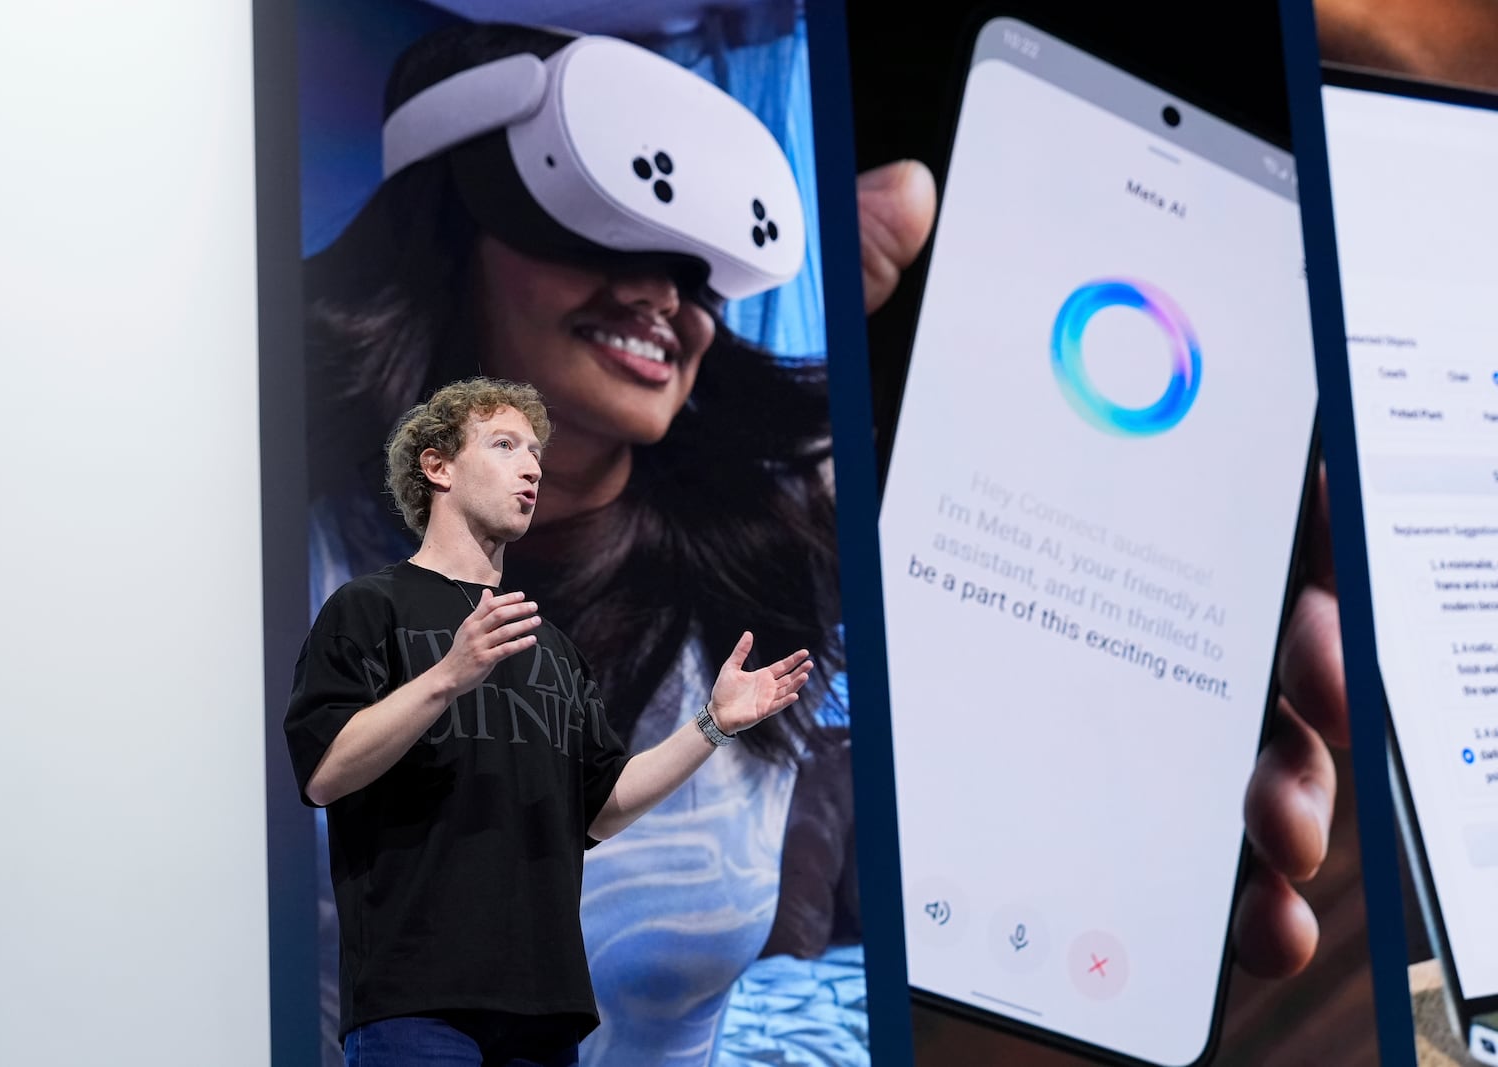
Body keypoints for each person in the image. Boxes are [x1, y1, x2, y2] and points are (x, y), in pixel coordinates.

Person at [297, 14, 1350, 1064]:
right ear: (445, 229)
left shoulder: (782, 539)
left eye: (701, 271)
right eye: (600, 228)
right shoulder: (287, 543)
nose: (666, 297)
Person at [285, 377, 816, 1066]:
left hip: (544, 1013)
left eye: (535, 451)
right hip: (414, 1002)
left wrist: (712, 724)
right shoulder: (367, 607)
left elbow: (600, 807)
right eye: (504, 445)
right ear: (437, 466)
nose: (532, 466)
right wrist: (448, 675)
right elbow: (326, 773)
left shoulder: (553, 648)